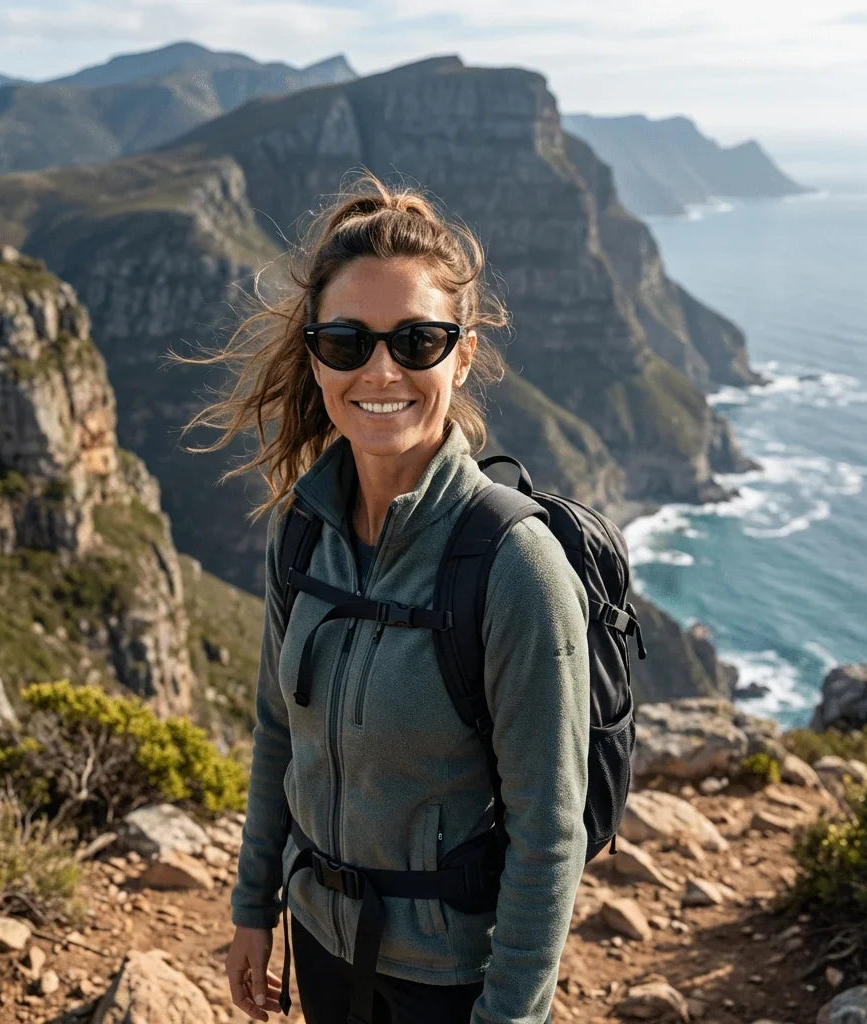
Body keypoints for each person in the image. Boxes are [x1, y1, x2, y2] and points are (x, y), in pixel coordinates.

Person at [186, 172, 591, 1023]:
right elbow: (275, 731)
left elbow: (548, 835)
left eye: (417, 341)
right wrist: (253, 906)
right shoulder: (302, 529)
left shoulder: (514, 565)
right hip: (320, 945)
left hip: (449, 980)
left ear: (463, 352)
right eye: (347, 341)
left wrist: (510, 1015)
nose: (381, 371)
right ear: (314, 351)